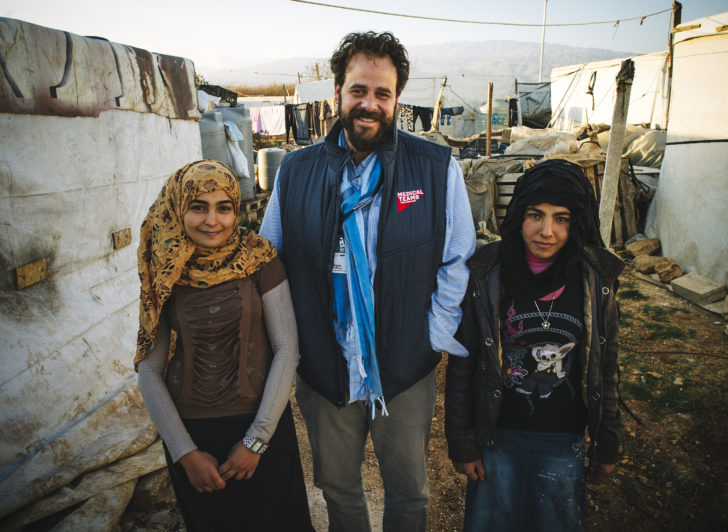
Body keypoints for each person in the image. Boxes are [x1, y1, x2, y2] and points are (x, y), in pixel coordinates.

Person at [259, 31, 476, 531]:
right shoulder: (295, 173)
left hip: (404, 368)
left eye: (382, 93)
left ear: (397, 99)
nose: (369, 104)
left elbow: (456, 259)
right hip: (324, 365)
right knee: (338, 490)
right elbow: (269, 263)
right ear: (338, 91)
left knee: (409, 493)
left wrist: (432, 336)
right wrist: (291, 344)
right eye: (359, 90)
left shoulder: (436, 169)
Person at [444, 158, 623, 531]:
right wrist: (462, 439)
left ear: (578, 223)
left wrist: (606, 442)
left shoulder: (595, 280)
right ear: (517, 217)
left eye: (562, 218)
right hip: (497, 437)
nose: (547, 231)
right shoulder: (486, 274)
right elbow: (464, 362)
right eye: (535, 215)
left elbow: (606, 367)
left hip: (564, 439)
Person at [135, 160, 313, 531]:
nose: (212, 221)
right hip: (194, 439)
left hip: (262, 427)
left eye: (224, 208)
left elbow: (287, 349)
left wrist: (256, 441)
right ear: (178, 208)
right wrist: (185, 454)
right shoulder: (165, 267)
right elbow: (149, 370)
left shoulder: (258, 258)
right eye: (198, 207)